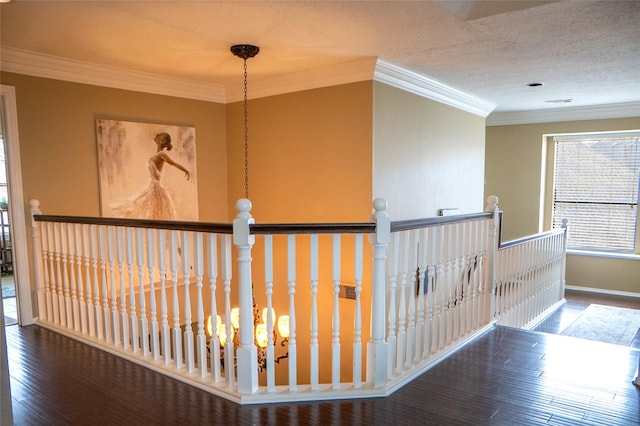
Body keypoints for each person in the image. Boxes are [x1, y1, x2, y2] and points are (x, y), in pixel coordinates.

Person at [114, 132, 190, 220]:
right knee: (141, 207)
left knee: (155, 212)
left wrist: (185, 170)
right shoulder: (156, 155)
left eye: (160, 138)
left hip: (156, 188)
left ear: (161, 142)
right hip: (151, 187)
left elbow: (173, 163)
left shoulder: (162, 154)